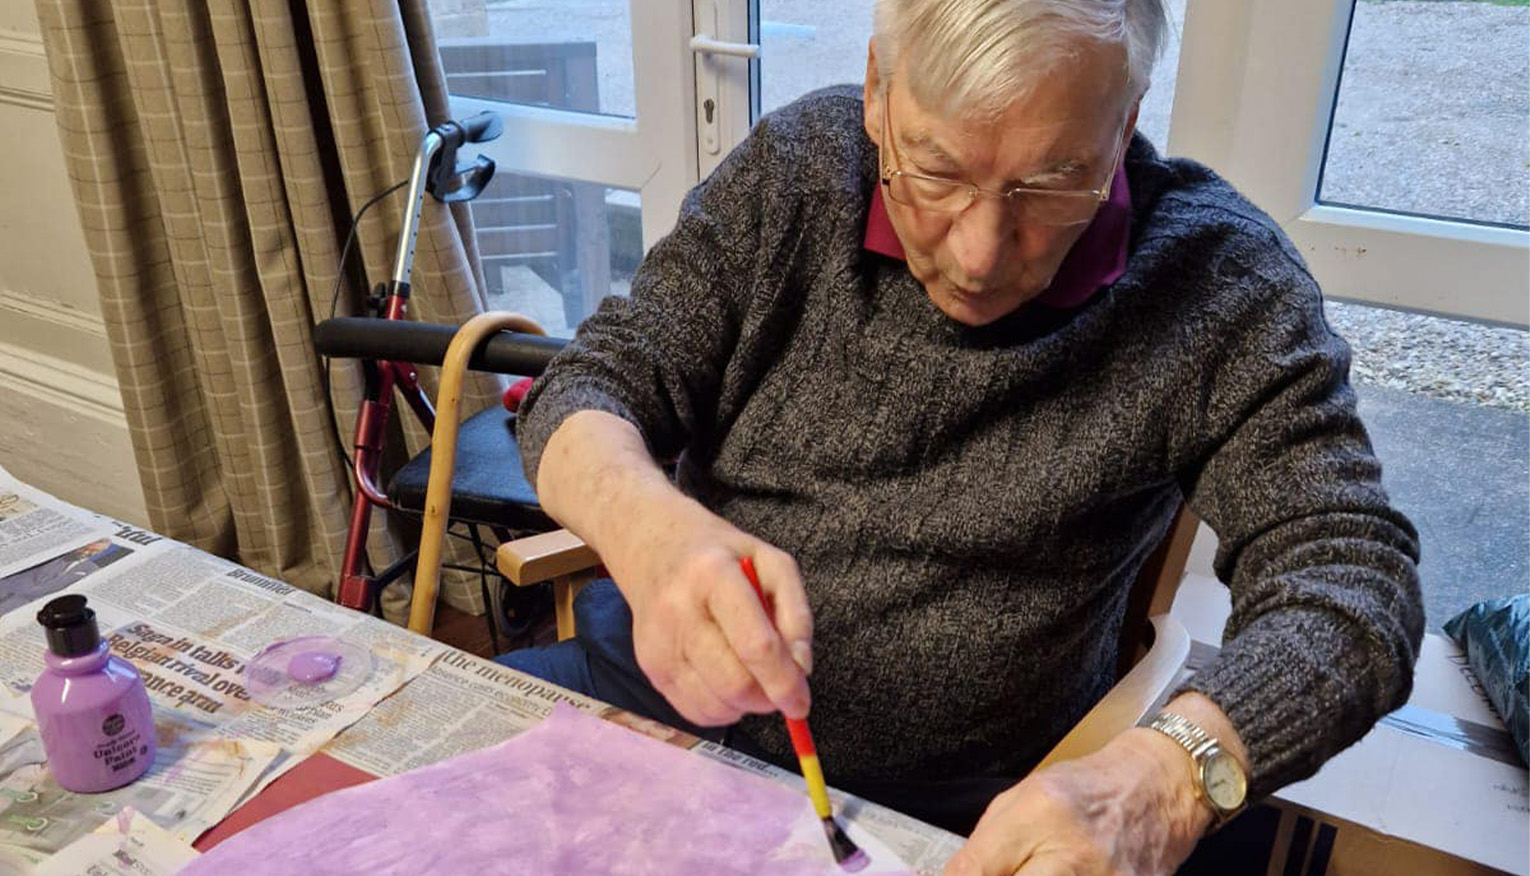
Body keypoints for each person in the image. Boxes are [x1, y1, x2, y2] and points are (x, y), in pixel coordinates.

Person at [498, 0, 1423, 872]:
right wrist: (650, 533)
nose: (979, 254)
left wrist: (1165, 780)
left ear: (1127, 120)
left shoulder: (1219, 282)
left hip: (956, 811)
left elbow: (1354, 578)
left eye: (1051, 183)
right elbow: (589, 384)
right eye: (937, 172)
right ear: (877, 91)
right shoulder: (797, 173)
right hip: (646, 706)